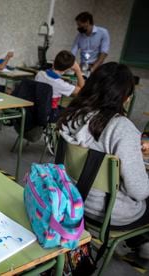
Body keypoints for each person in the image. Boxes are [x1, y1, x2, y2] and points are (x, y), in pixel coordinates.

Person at [57, 62, 149, 258]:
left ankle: (139, 242)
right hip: (107, 214)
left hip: (71, 200)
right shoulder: (121, 128)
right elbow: (139, 191)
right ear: (123, 96)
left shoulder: (71, 115)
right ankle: (142, 244)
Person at [35, 50, 85, 122]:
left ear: (54, 61)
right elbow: (83, 90)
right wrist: (78, 70)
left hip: (37, 109)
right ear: (68, 68)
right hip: (50, 113)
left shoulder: (40, 74)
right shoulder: (60, 84)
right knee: (75, 112)